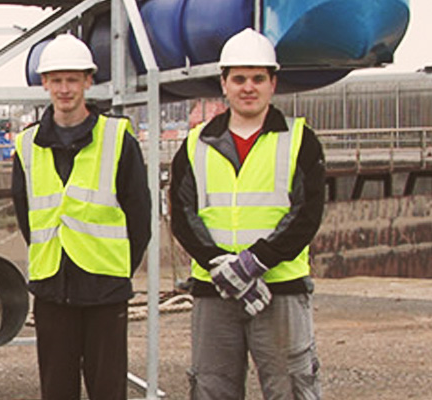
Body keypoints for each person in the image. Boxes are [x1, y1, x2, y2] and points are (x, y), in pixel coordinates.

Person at [170, 28, 325, 400]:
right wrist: (218, 265)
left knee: (290, 388)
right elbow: (183, 214)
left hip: (279, 288)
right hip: (214, 290)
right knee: (212, 388)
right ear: (224, 84)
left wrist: (256, 262)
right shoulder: (195, 144)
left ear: (273, 83)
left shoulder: (300, 140)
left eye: (258, 78)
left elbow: (307, 214)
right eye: (238, 78)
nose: (248, 87)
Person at [10, 34, 152, 400]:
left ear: (88, 81)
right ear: (44, 83)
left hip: (105, 290)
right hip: (52, 288)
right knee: (56, 391)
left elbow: (140, 215)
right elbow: (28, 217)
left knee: (107, 391)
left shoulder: (118, 139)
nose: (65, 89)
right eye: (56, 80)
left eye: (73, 79)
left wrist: (117, 265)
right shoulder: (26, 146)